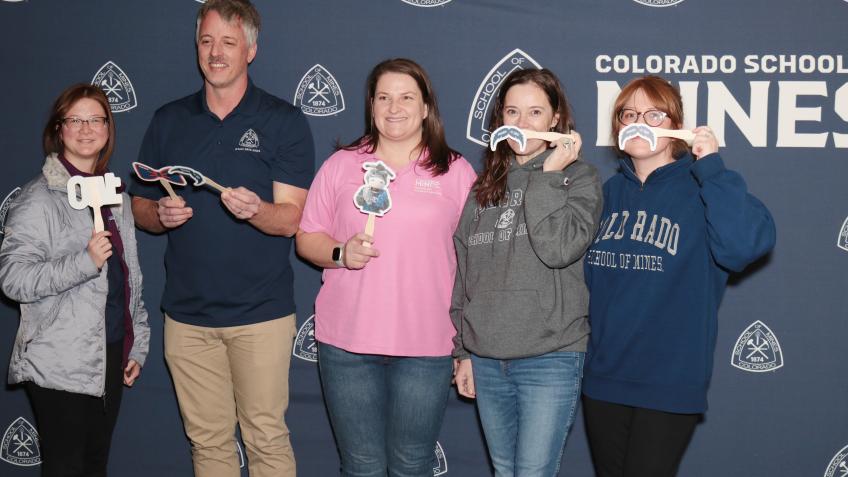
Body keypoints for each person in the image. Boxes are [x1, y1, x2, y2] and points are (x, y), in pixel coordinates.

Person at [129, 1, 313, 476]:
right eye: (207, 41)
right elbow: (138, 208)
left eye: (228, 42)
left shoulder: (283, 120)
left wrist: (258, 212)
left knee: (266, 439)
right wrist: (159, 213)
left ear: (250, 49)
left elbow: (291, 220)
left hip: (261, 316)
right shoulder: (169, 119)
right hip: (187, 319)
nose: (216, 53)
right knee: (208, 445)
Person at [581, 75, 776, 477]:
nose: (639, 121)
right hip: (604, 379)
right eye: (629, 113)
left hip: (668, 382)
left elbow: (742, 247)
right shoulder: (605, 194)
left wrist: (712, 167)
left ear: (675, 126)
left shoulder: (703, 188)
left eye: (654, 113)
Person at [296, 58, 476, 476]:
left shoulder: (455, 171)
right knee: (361, 466)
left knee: (412, 465)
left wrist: (469, 345)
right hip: (348, 344)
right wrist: (341, 253)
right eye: (384, 97)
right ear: (371, 107)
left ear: (426, 107)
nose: (394, 107)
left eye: (406, 97)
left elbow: (475, 260)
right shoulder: (341, 165)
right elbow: (308, 238)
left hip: (427, 346)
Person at [451, 68, 603, 476]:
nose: (521, 124)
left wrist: (549, 176)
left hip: (549, 356)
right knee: (505, 471)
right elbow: (465, 274)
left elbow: (558, 249)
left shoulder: (579, 179)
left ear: (556, 119)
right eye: (512, 112)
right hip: (486, 355)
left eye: (535, 112)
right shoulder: (483, 186)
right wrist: (464, 351)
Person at [0, 83, 150, 477]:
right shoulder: (37, 198)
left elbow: (128, 277)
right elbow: (13, 279)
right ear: (59, 129)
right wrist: (82, 262)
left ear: (108, 128)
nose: (86, 129)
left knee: (94, 465)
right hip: (59, 359)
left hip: (109, 351)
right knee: (66, 468)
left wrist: (137, 343)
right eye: (75, 120)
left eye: (96, 119)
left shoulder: (114, 194)